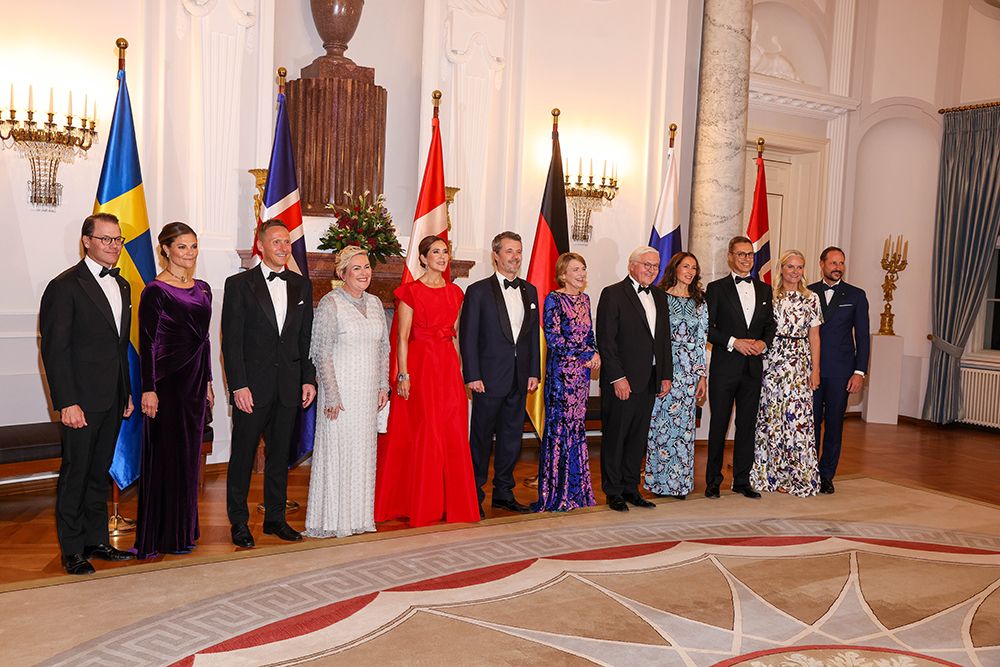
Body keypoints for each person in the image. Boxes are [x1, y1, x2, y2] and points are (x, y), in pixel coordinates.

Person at [39, 213, 136, 574]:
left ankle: (96, 541)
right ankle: (72, 549)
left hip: (112, 397)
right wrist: (66, 402)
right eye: (106, 239)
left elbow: (119, 346)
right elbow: (54, 350)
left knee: (99, 472)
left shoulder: (123, 285)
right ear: (86, 241)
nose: (113, 246)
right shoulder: (64, 286)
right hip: (79, 400)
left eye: (118, 240)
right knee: (76, 473)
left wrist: (125, 391)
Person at [221, 219, 316, 548]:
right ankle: (239, 522)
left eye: (287, 242)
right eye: (276, 242)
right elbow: (230, 344)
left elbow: (306, 340)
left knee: (279, 457)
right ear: (260, 246)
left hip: (289, 387)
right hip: (252, 389)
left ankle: (276, 519)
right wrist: (238, 386)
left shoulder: (302, 286)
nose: (283, 247)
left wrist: (308, 379)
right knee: (243, 456)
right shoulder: (239, 285)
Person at [375, 235, 479, 527]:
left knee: (452, 432)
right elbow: (402, 337)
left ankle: (451, 504)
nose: (442, 257)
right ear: (422, 258)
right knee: (427, 432)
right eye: (436, 252)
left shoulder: (456, 294)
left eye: (445, 251)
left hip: (446, 368)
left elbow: (455, 336)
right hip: (421, 367)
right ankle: (422, 504)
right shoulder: (410, 291)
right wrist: (403, 374)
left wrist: (459, 373)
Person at [134, 222, 214, 558]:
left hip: (195, 383)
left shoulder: (205, 288)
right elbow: (148, 343)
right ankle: (162, 534)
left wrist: (208, 380)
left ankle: (184, 530)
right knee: (166, 457)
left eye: (194, 246)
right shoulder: (155, 290)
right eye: (182, 247)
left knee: (188, 458)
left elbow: (205, 338)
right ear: (165, 249)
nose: (190, 253)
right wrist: (149, 389)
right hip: (166, 383)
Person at [304, 247, 389, 538]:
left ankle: (358, 518)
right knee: (339, 454)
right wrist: (331, 395)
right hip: (340, 395)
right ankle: (333, 520)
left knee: (363, 454)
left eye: (367, 267)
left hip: (367, 395)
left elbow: (383, 349)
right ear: (342, 273)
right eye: (357, 268)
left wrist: (383, 386)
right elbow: (321, 353)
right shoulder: (330, 303)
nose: (364, 273)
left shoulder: (377, 303)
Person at [459, 231, 540, 516]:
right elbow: (468, 337)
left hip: (520, 378)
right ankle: (474, 494)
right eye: (509, 251)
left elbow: (531, 338)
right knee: (481, 439)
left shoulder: (530, 291)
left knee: (511, 439)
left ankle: (503, 493)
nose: (515, 256)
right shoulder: (478, 291)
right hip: (487, 379)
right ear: (496, 255)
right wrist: (472, 375)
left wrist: (534, 371)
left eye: (518, 251)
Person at [596, 246, 672, 512]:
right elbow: (606, 341)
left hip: (649, 379)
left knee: (638, 438)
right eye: (646, 264)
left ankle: (631, 488)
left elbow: (663, 340)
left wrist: (665, 374)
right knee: (616, 437)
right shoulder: (613, 294)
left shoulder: (660, 297)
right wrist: (618, 377)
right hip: (623, 381)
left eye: (655, 266)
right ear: (631, 266)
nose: (651, 270)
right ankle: (613, 491)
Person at [705, 236, 776, 499]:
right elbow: (709, 328)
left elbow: (770, 325)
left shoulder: (765, 289)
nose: (746, 259)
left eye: (750, 254)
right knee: (719, 425)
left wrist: (762, 343)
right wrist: (734, 342)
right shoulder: (716, 288)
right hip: (725, 367)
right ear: (730, 257)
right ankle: (713, 481)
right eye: (741, 254)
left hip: (752, 369)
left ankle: (742, 480)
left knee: (747, 425)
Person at [750, 250, 823, 497]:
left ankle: (798, 476)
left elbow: (815, 337)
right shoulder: (769, 296)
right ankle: (772, 474)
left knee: (797, 419)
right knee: (773, 417)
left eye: (799, 267)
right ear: (781, 269)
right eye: (790, 267)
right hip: (773, 359)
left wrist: (816, 370)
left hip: (800, 361)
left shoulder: (811, 298)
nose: (795, 271)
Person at [533, 252, 600, 512]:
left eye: (583, 268)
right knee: (560, 430)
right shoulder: (554, 299)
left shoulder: (585, 299)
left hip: (581, 376)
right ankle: (557, 493)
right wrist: (585, 353)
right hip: (561, 376)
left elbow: (590, 334)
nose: (581, 274)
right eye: (575, 270)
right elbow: (554, 339)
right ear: (563, 274)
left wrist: (594, 353)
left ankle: (578, 491)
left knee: (577, 428)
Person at [644, 252, 708, 500]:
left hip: (689, 373)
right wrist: (658, 369)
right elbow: (654, 336)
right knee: (660, 426)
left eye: (694, 267)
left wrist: (702, 375)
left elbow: (701, 340)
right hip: (666, 369)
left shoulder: (700, 301)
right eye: (685, 266)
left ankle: (680, 484)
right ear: (675, 268)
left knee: (683, 430)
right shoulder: (660, 297)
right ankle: (658, 482)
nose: (690, 271)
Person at [809, 246, 870, 494]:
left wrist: (860, 372)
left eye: (841, 263)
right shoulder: (808, 292)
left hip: (841, 372)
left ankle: (826, 475)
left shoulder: (856, 295)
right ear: (822, 264)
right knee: (809, 423)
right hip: (811, 370)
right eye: (833, 262)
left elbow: (863, 337)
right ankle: (808, 471)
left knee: (834, 424)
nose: (838, 267)